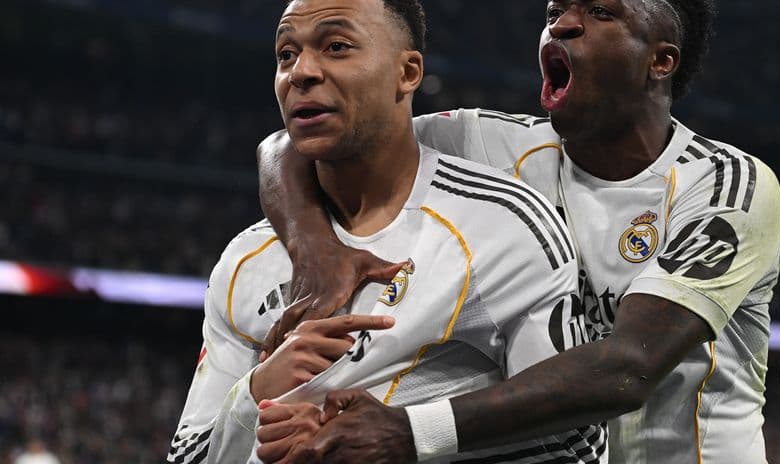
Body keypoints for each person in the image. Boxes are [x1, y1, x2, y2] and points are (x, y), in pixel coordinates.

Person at [254, 0, 780, 462]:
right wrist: (315, 253)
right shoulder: (489, 145)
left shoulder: (725, 186)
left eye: (599, 12)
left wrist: (410, 431)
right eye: (554, 13)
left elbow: (631, 365)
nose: (563, 25)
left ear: (660, 60)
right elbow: (296, 143)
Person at [166, 0, 604, 463]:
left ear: (408, 71)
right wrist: (256, 392)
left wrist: (396, 436)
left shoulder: (505, 229)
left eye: (336, 46)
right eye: (286, 54)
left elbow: (574, 443)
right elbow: (188, 456)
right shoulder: (244, 261)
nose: (301, 72)